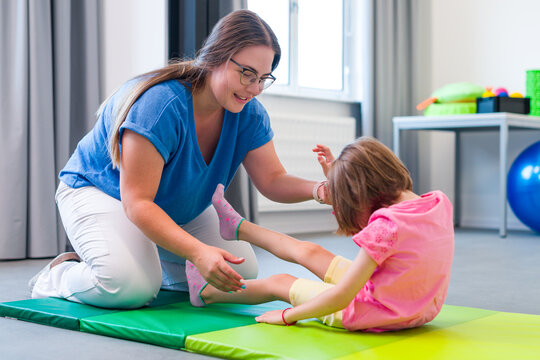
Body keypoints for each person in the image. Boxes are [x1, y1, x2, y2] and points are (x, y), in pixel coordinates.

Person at [28, 10, 329, 309]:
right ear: (217, 57)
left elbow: (273, 180)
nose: (256, 88)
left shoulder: (249, 113)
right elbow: (137, 202)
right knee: (129, 287)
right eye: (247, 74)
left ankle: (143, 261)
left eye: (264, 78)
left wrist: (321, 190)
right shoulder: (160, 105)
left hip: (169, 204)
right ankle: (59, 275)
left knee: (238, 272)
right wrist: (198, 252)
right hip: (102, 193)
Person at [186, 137, 455, 332]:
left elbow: (341, 297)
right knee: (310, 252)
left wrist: (289, 315)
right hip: (412, 304)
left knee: (280, 281)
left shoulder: (386, 228)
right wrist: (340, 177)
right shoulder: (437, 202)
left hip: (373, 312)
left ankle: (206, 292)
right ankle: (238, 228)